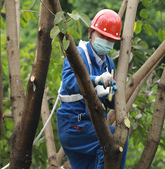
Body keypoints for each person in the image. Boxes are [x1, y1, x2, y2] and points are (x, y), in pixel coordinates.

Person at [57, 9, 128, 169]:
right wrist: (96, 80)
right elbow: (69, 82)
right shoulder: (79, 54)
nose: (106, 41)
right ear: (91, 33)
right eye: (102, 36)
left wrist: (112, 94)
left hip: (91, 126)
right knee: (115, 141)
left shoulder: (109, 64)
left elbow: (109, 104)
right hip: (74, 125)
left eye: (110, 39)